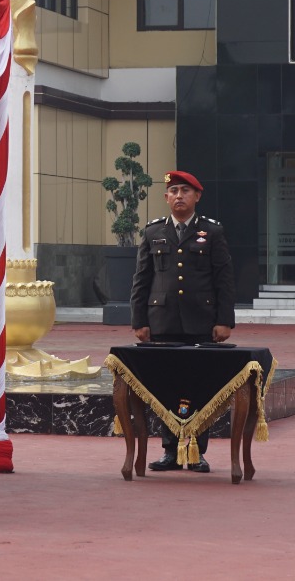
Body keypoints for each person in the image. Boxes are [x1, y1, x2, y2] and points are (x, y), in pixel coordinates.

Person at [131, 170, 235, 473]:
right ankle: (169, 451)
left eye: (185, 191)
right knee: (166, 388)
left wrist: (224, 320)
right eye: (174, 191)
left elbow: (224, 280)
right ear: (166, 197)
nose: (179, 196)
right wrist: (139, 320)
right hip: (162, 322)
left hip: (201, 323)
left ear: (197, 196)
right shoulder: (152, 232)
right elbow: (141, 280)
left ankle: (195, 452)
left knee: (197, 387)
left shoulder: (212, 232)